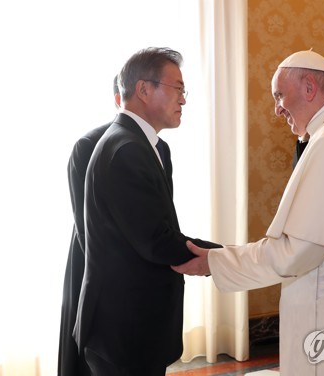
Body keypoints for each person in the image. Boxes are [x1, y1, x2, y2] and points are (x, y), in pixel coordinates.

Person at [173, 50, 324, 375]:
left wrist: (214, 261)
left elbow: (296, 253)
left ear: (309, 88)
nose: (277, 109)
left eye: (279, 96)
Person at [72, 47, 220, 376]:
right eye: (178, 88)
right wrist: (230, 259)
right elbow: (156, 240)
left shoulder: (140, 144)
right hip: (124, 327)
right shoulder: (126, 150)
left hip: (134, 323)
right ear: (143, 89)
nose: (184, 99)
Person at [57, 75, 121, 376]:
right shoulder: (87, 145)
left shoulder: (159, 147)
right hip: (92, 262)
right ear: (120, 99)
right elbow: (86, 226)